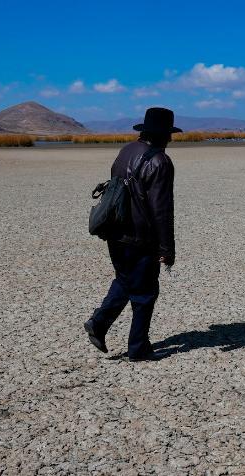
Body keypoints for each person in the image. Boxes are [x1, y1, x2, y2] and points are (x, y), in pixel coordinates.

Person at [84, 107, 180, 361]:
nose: (170, 139)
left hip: (115, 229)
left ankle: (99, 323)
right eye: (169, 134)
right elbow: (161, 210)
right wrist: (167, 249)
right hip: (140, 237)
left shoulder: (126, 150)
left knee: (125, 279)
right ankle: (138, 348)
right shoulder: (160, 161)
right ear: (163, 135)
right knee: (145, 293)